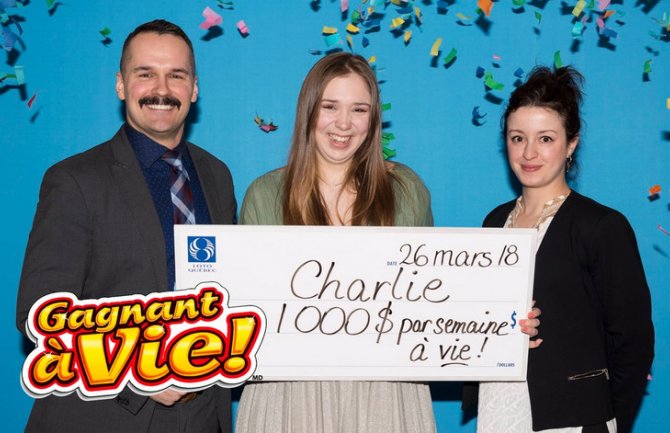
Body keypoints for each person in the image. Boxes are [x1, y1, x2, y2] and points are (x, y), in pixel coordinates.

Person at [16, 19, 236, 433]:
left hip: (204, 414)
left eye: (176, 75)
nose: (161, 89)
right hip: (105, 414)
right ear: (121, 85)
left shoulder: (217, 176)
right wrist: (138, 367)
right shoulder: (75, 180)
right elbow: (38, 313)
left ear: (194, 88)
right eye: (145, 74)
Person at [234, 52, 435, 433]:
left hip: (386, 392)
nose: (344, 123)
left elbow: (432, 297)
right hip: (288, 392)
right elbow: (247, 310)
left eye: (359, 110)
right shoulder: (265, 195)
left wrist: (500, 324)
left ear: (373, 119)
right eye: (330, 107)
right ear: (309, 111)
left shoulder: (406, 192)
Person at [464, 66, 654, 433]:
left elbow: (633, 342)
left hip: (573, 417)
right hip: (499, 403)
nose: (529, 152)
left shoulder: (601, 227)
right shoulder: (494, 222)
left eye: (546, 139)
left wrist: (607, 420)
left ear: (571, 144)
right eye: (518, 138)